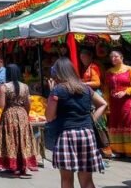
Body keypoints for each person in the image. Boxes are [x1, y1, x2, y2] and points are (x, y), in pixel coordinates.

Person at [46, 57, 107, 188]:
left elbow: (49, 116)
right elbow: (103, 104)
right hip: (86, 133)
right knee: (87, 180)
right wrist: (91, 119)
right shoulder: (85, 88)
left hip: (66, 134)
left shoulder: (57, 90)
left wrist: (51, 93)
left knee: (67, 179)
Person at [0, 64, 38, 177]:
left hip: (9, 114)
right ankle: (23, 165)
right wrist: (25, 114)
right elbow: (28, 104)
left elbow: (1, 105)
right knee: (22, 140)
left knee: (11, 139)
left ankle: (12, 165)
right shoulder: (25, 86)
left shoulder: (4, 87)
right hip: (22, 114)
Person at [104, 50, 131, 162]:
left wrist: (126, 92)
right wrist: (106, 102)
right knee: (116, 124)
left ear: (121, 57)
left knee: (130, 123)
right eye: (111, 57)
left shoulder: (130, 70)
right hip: (114, 103)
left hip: (127, 102)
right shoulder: (109, 72)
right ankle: (118, 150)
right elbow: (106, 89)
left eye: (116, 56)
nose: (113, 59)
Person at [79, 47, 112, 160]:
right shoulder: (87, 68)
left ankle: (106, 148)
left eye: (84, 57)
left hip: (96, 96)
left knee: (99, 122)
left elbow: (97, 82)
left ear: (89, 57)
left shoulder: (93, 67)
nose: (82, 59)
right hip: (91, 95)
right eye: (81, 57)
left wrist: (83, 83)